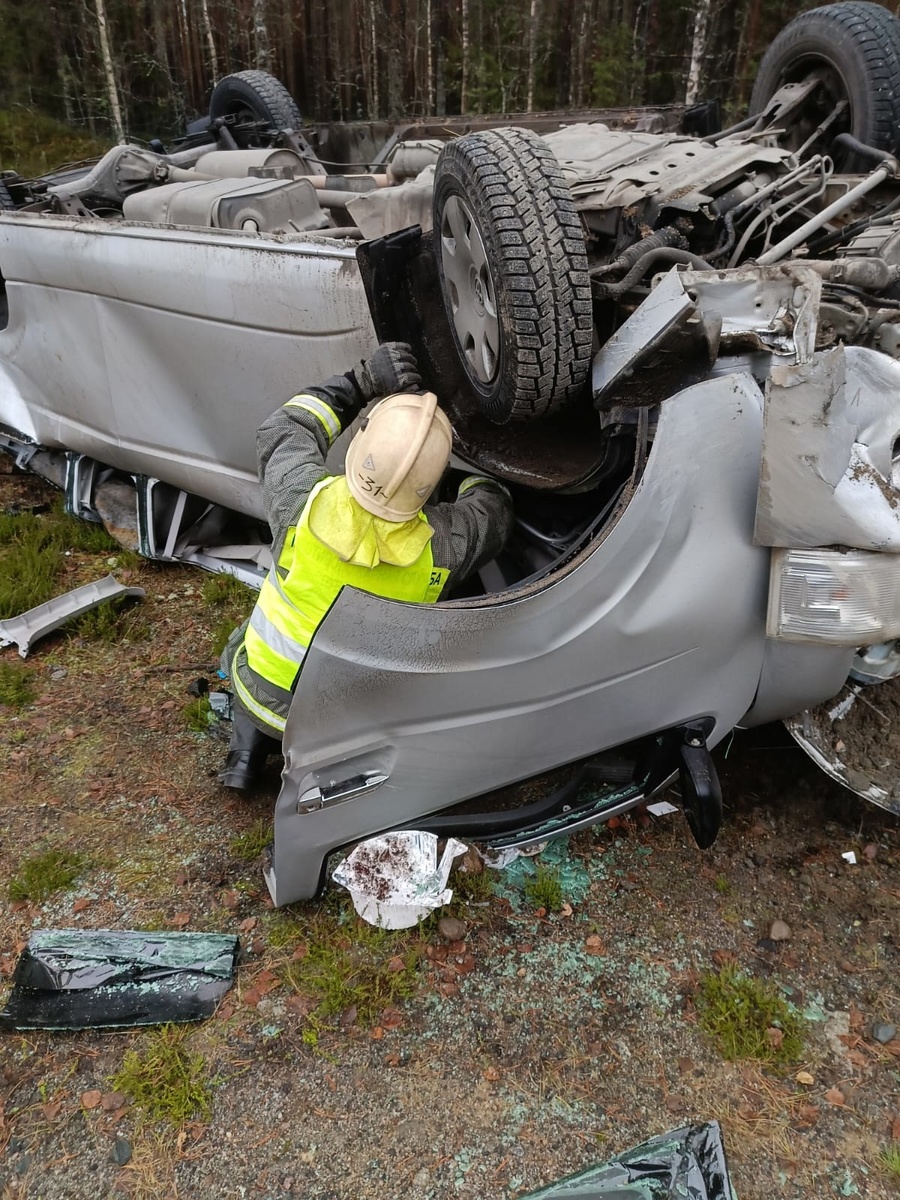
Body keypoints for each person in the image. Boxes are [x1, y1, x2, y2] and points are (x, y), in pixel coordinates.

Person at [220, 341, 515, 789]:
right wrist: (466, 469)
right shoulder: (442, 548)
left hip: (258, 689)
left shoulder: (301, 501)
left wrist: (360, 382)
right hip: (341, 725)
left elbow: (286, 425)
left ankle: (244, 756)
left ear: (361, 443)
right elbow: (492, 513)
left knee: (248, 642)